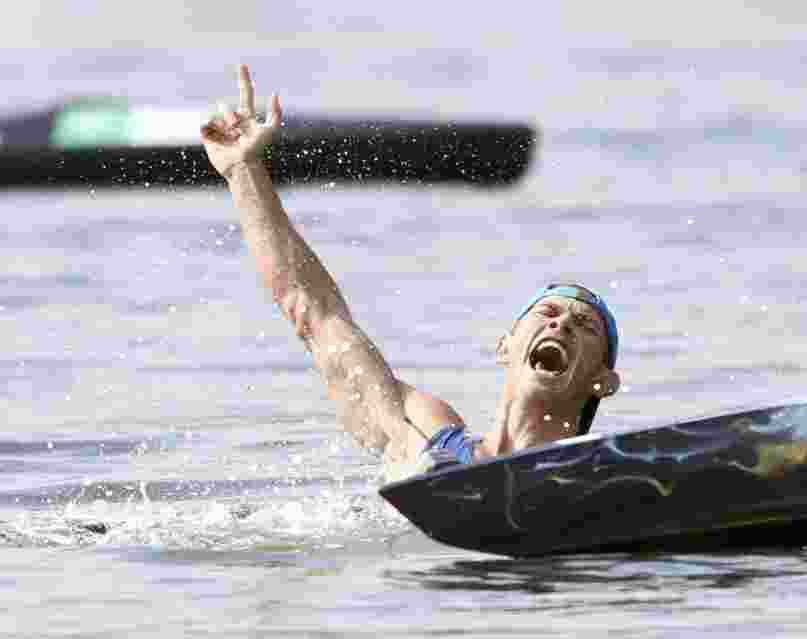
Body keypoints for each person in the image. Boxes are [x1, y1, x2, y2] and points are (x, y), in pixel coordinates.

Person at [199, 65, 621, 480]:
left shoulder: (611, 469)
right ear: (504, 348)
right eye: (547, 311)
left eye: (584, 325)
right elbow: (315, 314)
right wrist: (243, 171)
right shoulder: (420, 438)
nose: (562, 322)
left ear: (602, 381)